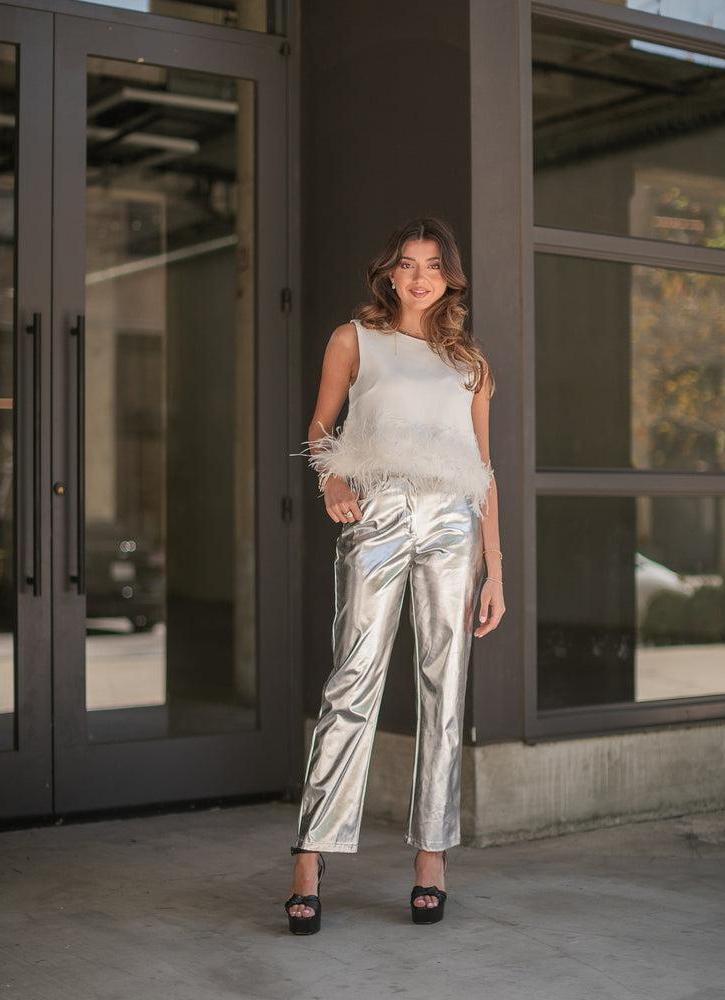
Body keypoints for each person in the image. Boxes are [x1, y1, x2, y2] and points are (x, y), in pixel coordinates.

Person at [285, 218, 505, 935]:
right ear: (388, 272)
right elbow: (321, 429)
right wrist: (332, 484)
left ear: (450, 277)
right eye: (407, 264)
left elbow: (483, 471)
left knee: (445, 690)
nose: (419, 277)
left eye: (433, 265)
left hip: (452, 524)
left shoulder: (469, 362)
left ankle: (432, 858)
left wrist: (493, 567)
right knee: (353, 679)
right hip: (376, 514)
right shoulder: (354, 340)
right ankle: (311, 856)